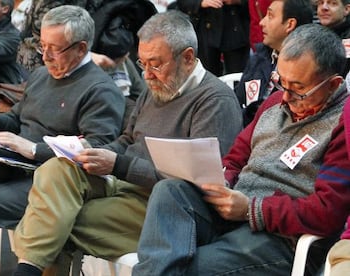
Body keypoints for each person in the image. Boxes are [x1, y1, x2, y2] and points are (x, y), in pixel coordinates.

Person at [11, 10, 243, 275]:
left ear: (188, 57)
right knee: (57, 168)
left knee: (55, 221)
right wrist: (96, 154)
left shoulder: (215, 101)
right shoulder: (156, 88)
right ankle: (28, 268)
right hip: (123, 184)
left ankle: (26, 270)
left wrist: (119, 164)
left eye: (156, 64)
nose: (147, 75)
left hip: (162, 207)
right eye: (142, 64)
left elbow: (198, 186)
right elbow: (127, 140)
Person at [132, 23, 350, 275]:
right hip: (232, 211)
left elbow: (327, 212)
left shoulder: (342, 124)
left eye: (299, 89)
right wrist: (220, 180)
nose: (286, 97)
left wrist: (251, 209)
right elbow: (236, 159)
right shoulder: (274, 102)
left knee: (183, 267)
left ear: (333, 85)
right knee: (170, 191)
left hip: (280, 238)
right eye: (281, 82)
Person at [0, 5, 126, 275]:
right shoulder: (41, 76)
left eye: (54, 48)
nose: (45, 56)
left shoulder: (101, 91)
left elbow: (96, 153)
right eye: (42, 45)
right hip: (13, 164)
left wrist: (35, 149)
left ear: (81, 49)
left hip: (51, 183)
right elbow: (18, 115)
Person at [235, 0, 313, 126]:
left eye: (270, 16)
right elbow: (238, 101)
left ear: (290, 24)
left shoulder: (309, 70)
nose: (261, 22)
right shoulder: (259, 58)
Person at [176, 0, 250, 76]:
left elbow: (256, 4)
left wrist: (238, 1)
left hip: (236, 31)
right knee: (206, 77)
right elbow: (182, 3)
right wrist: (201, 3)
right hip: (205, 32)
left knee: (238, 78)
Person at [317, 0, 350, 75]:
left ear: (346, 9)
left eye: (333, 3)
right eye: (320, 3)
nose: (324, 7)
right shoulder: (313, 33)